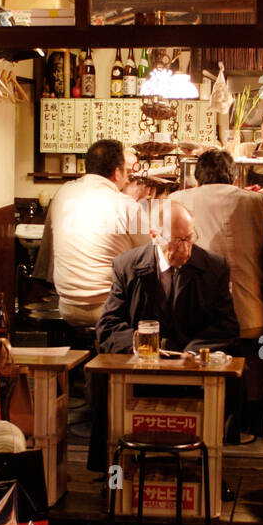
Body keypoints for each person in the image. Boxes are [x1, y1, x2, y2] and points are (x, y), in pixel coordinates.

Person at [89, 201, 239, 469]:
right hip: (141, 365)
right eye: (176, 241)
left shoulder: (214, 266)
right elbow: (108, 326)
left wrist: (192, 353)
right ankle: (115, 475)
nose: (184, 249)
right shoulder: (127, 265)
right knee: (102, 380)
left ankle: (210, 471)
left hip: (192, 364)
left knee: (230, 382)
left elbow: (226, 325)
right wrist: (142, 344)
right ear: (154, 235)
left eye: (189, 238)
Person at [169, 149, 263, 439]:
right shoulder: (253, 200)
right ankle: (244, 423)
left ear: (197, 178)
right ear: (233, 175)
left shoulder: (178, 199)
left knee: (204, 350)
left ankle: (205, 421)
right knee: (253, 354)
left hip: (196, 315)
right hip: (250, 310)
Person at [48, 138, 149, 327]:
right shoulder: (127, 205)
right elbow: (148, 254)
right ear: (116, 172)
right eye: (126, 173)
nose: (128, 179)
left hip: (68, 305)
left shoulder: (61, 194)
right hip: (109, 306)